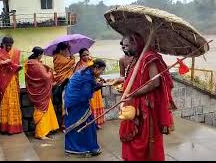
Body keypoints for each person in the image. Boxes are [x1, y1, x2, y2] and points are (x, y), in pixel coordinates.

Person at [119, 32, 176, 161]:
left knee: (145, 139)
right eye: (123, 46)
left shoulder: (149, 57)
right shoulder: (137, 58)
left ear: (136, 43)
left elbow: (155, 82)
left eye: (127, 45)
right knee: (132, 139)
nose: (124, 49)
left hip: (146, 108)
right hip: (133, 105)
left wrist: (133, 94)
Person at [64, 59, 106, 156]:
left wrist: (95, 85)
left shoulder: (85, 72)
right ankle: (83, 148)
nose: (101, 73)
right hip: (77, 104)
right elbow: (86, 94)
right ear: (96, 68)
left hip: (71, 102)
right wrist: (97, 86)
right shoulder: (88, 77)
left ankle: (75, 147)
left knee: (85, 124)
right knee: (86, 125)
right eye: (101, 70)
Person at [25, 46, 59, 139]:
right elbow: (46, 77)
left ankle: (47, 129)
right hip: (41, 93)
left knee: (45, 109)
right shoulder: (37, 65)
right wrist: (50, 71)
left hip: (35, 90)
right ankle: (40, 133)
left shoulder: (29, 63)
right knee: (42, 110)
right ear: (39, 55)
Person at [0, 36, 23, 134]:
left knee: (14, 103)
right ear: (3, 44)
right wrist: (4, 62)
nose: (9, 47)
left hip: (13, 80)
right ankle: (5, 128)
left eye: (10, 45)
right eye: (7, 45)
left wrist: (18, 67)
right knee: (6, 102)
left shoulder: (16, 52)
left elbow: (16, 65)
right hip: (4, 82)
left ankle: (15, 128)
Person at [74, 48, 105, 129]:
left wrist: (99, 79)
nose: (86, 57)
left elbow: (97, 72)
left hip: (96, 87)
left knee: (97, 104)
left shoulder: (92, 62)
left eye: (87, 54)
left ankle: (97, 122)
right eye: (84, 55)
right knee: (91, 106)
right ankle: (91, 123)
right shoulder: (79, 65)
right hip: (89, 88)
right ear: (80, 56)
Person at [52, 42, 75, 128]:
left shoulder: (55, 57)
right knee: (66, 103)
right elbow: (72, 62)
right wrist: (72, 55)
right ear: (61, 50)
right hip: (65, 82)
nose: (67, 52)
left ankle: (67, 122)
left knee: (66, 103)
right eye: (66, 50)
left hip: (61, 82)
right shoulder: (61, 59)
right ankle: (65, 124)